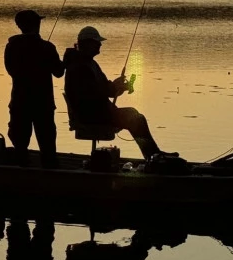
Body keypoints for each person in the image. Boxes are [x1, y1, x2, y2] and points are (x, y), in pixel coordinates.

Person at [62, 26, 175, 160]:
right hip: (91, 115)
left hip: (97, 111)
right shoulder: (79, 66)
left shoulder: (89, 63)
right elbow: (92, 95)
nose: (100, 45)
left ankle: (154, 155)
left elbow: (105, 89)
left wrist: (120, 87)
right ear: (86, 43)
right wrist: (114, 87)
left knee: (135, 116)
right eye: (96, 42)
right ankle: (153, 157)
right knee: (136, 118)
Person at [3, 9, 65, 167]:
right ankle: (51, 176)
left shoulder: (11, 47)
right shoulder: (47, 47)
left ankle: (22, 176)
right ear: (37, 25)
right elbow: (59, 72)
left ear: (19, 26)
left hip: (19, 101)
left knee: (20, 146)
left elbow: (11, 71)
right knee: (47, 146)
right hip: (43, 104)